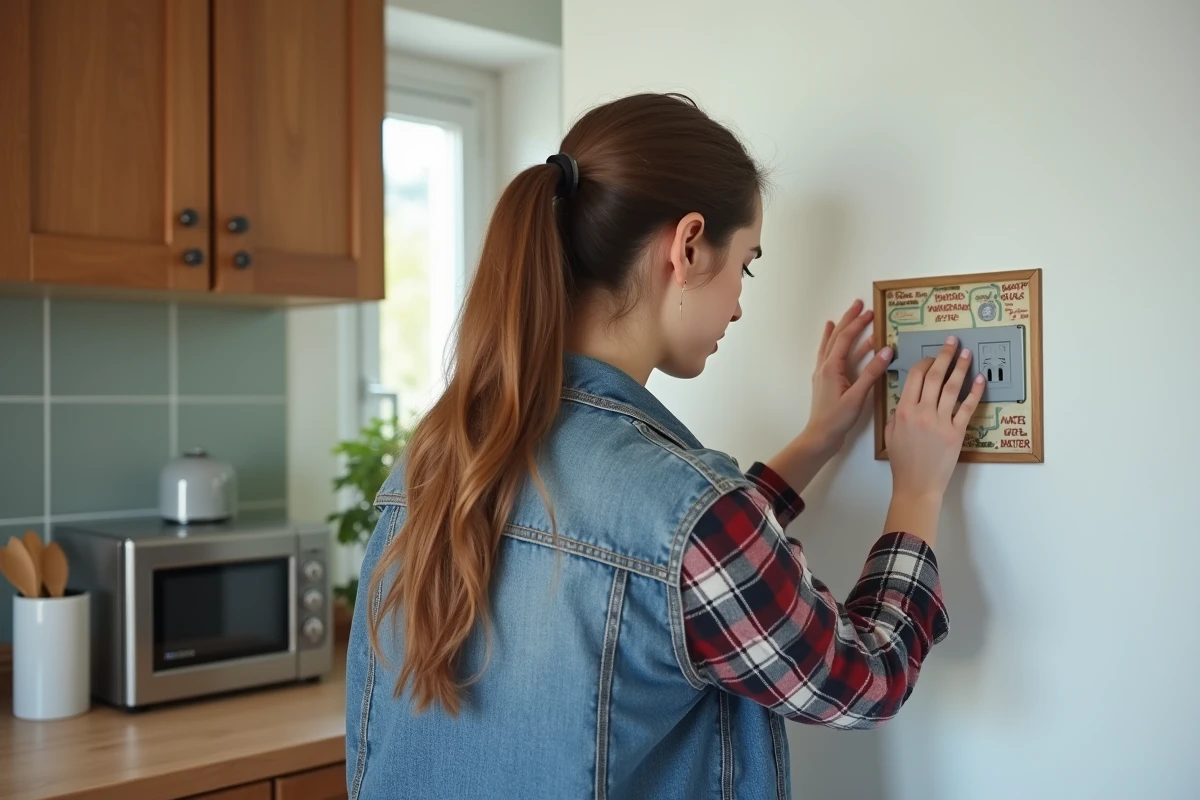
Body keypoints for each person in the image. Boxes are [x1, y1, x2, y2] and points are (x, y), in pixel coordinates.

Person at [345, 92, 984, 800]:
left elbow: (662, 572)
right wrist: (918, 493)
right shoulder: (688, 516)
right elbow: (864, 681)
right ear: (686, 246)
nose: (740, 303)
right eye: (747, 264)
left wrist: (813, 442)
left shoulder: (437, 456)